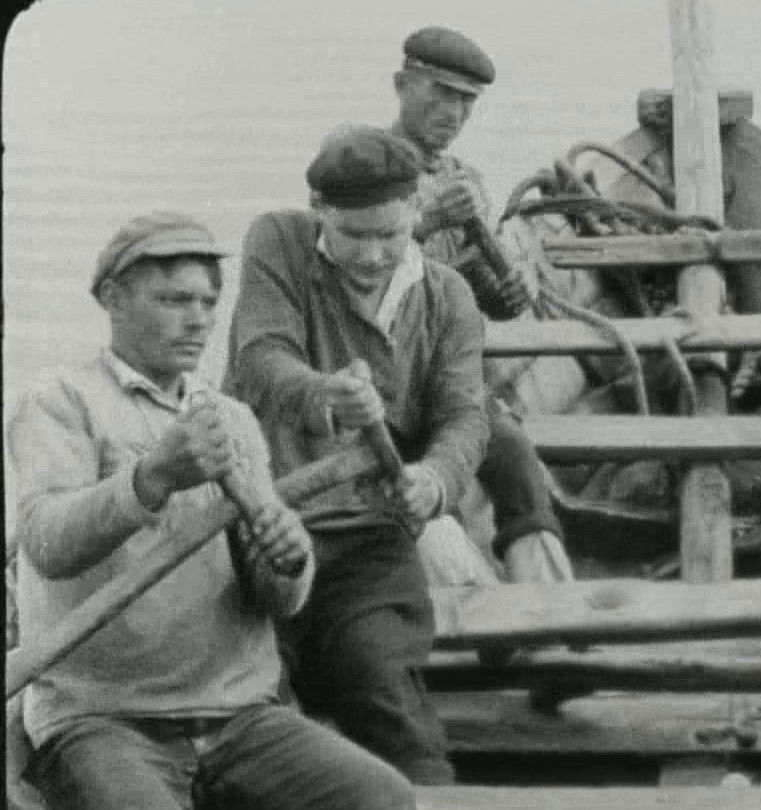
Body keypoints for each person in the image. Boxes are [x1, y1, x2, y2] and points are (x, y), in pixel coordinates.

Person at [8, 212, 414, 809]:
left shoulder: (232, 419)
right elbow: (46, 545)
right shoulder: (60, 402)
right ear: (113, 299)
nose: (198, 319)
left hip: (239, 716)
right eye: (174, 300)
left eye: (208, 302)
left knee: (385, 798)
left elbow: (279, 600)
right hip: (102, 720)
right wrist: (151, 478)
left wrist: (289, 560)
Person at [226, 126, 492, 784]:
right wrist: (323, 395)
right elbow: (261, 357)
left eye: (391, 235)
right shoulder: (277, 242)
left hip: (370, 538)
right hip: (260, 526)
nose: (374, 256)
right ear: (319, 208)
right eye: (354, 236)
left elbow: (464, 416)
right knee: (249, 699)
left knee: (382, 686)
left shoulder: (448, 297)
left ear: (415, 213)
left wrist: (435, 479)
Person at [387, 25, 573, 583]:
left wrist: (511, 291)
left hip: (445, 381)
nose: (453, 113)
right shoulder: (358, 169)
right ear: (402, 85)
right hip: (378, 381)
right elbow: (340, 275)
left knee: (515, 457)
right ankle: (459, 583)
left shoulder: (464, 179)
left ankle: (547, 598)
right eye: (440, 93)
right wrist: (425, 223)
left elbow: (487, 300)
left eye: (466, 100)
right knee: (406, 491)